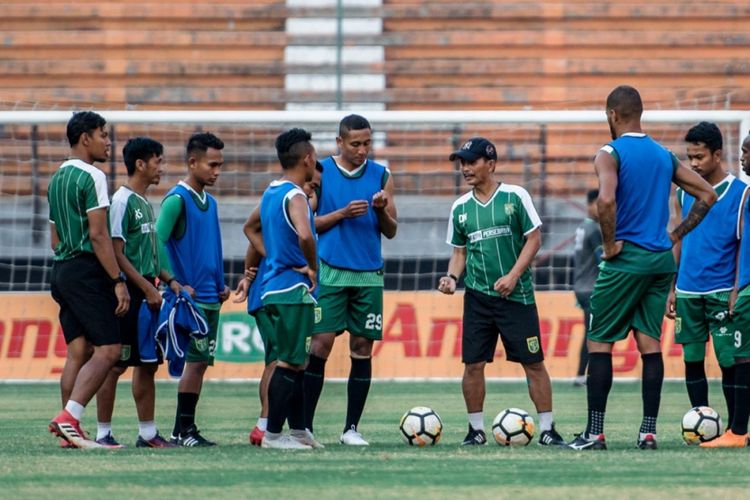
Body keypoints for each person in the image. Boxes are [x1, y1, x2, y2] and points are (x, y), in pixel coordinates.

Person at [568, 85, 717, 451]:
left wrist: (608, 245)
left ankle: (595, 433)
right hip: (659, 262)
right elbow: (708, 195)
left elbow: (605, 200)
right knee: (650, 345)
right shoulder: (663, 155)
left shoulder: (610, 152)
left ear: (612, 115)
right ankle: (648, 432)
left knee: (599, 343)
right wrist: (674, 234)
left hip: (625, 260)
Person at [437, 136, 567, 447]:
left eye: (471, 162)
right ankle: (476, 430)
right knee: (473, 364)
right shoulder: (460, 208)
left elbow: (534, 239)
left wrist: (513, 275)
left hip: (516, 296)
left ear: (491, 164)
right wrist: (451, 278)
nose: (465, 168)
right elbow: (460, 253)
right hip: (478, 298)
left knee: (533, 363)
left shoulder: (515, 196)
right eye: (462, 163)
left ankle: (548, 429)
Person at [303, 114, 398, 446]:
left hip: (369, 274)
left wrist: (382, 209)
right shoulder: (323, 173)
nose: (362, 150)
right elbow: (308, 223)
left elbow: (391, 230)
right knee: (320, 344)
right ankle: (305, 427)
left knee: (362, 348)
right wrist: (342, 213)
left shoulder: (381, 175)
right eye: (355, 144)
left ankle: (351, 429)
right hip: (330, 271)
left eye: (367, 143)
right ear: (340, 142)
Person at [47, 111, 130, 449]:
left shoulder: (56, 178)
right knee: (109, 349)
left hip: (62, 270)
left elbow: (54, 237)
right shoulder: (92, 176)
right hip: (85, 269)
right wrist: (117, 279)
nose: (108, 142)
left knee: (78, 350)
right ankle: (70, 418)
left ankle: (71, 434)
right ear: (85, 138)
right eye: (103, 134)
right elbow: (98, 236)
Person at [92, 137, 182, 448]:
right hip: (128, 292)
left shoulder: (143, 202)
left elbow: (147, 252)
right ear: (140, 164)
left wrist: (168, 280)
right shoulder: (121, 202)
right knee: (116, 364)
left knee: (147, 364)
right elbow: (116, 252)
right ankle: (103, 433)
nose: (162, 167)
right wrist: (143, 288)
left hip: (148, 290)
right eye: (158, 161)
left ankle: (147, 434)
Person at [234, 163, 323, 447]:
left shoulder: (272, 192)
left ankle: (298, 431)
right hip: (289, 289)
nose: (314, 191)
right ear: (306, 159)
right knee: (286, 362)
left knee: (297, 362)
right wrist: (311, 267)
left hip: (274, 288)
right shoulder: (293, 196)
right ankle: (271, 433)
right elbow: (306, 236)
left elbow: (250, 227)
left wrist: (274, 256)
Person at [665, 122, 746, 429]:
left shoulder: (740, 194)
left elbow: (742, 248)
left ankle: (734, 428)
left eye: (699, 157)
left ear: (717, 154)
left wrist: (738, 288)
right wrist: (671, 286)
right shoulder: (683, 192)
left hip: (722, 292)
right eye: (690, 158)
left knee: (729, 362)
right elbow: (678, 239)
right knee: (692, 360)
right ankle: (702, 424)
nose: (694, 164)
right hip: (687, 291)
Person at [157, 132, 230, 447]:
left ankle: (182, 429)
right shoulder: (177, 199)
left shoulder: (210, 202)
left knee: (200, 364)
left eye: (219, 165)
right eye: (212, 165)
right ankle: (183, 430)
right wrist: (173, 281)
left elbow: (209, 246)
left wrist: (220, 282)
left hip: (211, 295)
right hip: (189, 300)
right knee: (194, 362)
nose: (216, 171)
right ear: (192, 162)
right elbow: (156, 240)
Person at [702, 133, 750, 448]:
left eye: (746, 151)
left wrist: (739, 287)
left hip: (747, 288)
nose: (743, 157)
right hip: (741, 285)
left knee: (743, 359)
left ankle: (737, 432)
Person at [572, 189, 602, 387]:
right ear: (590, 204)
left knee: (590, 331)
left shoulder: (582, 227)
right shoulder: (594, 230)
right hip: (592, 287)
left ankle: (582, 374)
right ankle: (587, 375)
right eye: (599, 204)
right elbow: (602, 260)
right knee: (595, 333)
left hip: (580, 286)